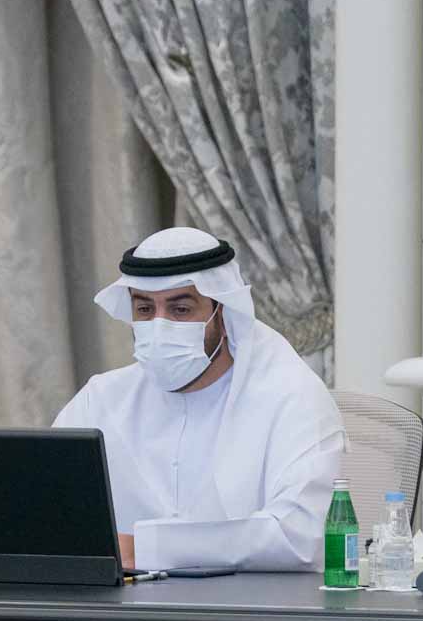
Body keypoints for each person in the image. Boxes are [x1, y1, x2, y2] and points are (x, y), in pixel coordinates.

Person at [54, 226, 344, 572]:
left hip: (244, 603)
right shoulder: (100, 399)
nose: (159, 326)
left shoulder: (291, 399)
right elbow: (39, 505)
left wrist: (144, 548)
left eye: (180, 309)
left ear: (221, 311)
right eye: (144, 309)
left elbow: (301, 537)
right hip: (114, 602)